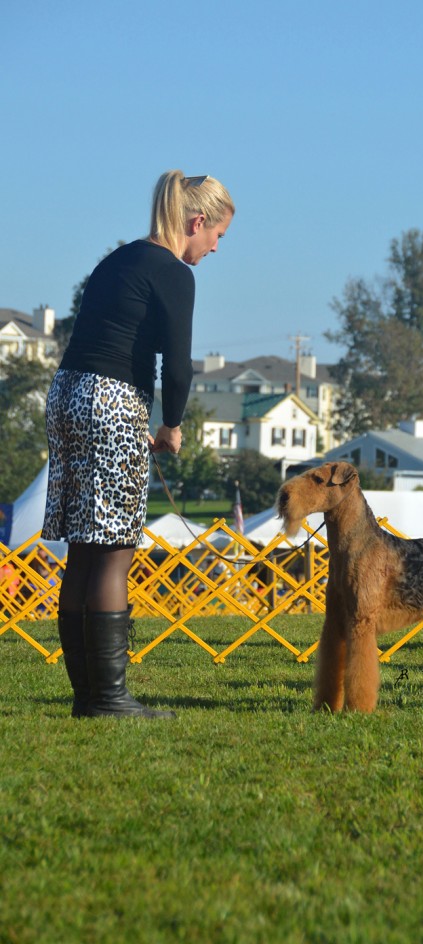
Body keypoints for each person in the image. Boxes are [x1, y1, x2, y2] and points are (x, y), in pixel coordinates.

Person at [43, 171, 235, 718]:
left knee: (84, 548)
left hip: (68, 394)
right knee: (114, 549)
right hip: (111, 400)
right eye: (217, 236)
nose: (215, 248)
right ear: (196, 222)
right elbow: (178, 366)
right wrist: (171, 426)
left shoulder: (118, 259)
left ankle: (87, 696)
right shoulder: (173, 272)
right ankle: (108, 699)